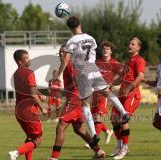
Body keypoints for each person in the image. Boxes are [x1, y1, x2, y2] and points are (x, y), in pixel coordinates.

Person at [55, 16, 129, 144]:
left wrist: (58, 74)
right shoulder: (91, 38)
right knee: (107, 92)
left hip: (83, 72)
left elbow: (66, 59)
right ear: (80, 24)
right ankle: (123, 112)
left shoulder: (71, 41)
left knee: (85, 103)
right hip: (93, 68)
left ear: (70, 28)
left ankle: (94, 134)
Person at [49, 45, 106, 160]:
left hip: (74, 100)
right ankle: (98, 151)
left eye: (63, 52)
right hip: (76, 98)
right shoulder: (68, 65)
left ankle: (54, 158)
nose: (61, 54)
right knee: (78, 129)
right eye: (59, 52)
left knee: (60, 127)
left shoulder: (69, 65)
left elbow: (77, 83)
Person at [7, 50, 47, 160]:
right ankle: (15, 153)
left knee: (30, 137)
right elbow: (33, 95)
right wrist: (42, 108)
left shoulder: (16, 74)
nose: (29, 60)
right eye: (26, 58)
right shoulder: (29, 72)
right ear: (20, 61)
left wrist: (40, 94)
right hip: (29, 111)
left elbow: (31, 90)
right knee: (37, 141)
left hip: (18, 111)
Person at [110, 37, 146, 159]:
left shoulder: (139, 60)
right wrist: (111, 84)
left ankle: (125, 148)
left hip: (132, 94)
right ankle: (119, 145)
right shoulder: (128, 61)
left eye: (132, 44)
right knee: (114, 118)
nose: (129, 45)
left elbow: (140, 77)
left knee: (123, 119)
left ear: (138, 48)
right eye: (129, 43)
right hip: (122, 93)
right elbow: (121, 78)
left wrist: (128, 88)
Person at [85, 41, 121, 149]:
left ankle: (92, 141)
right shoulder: (97, 62)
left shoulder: (114, 63)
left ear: (111, 51)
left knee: (98, 117)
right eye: (104, 49)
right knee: (95, 117)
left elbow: (122, 76)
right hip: (95, 93)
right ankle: (107, 131)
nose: (105, 50)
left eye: (108, 49)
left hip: (105, 94)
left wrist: (112, 84)